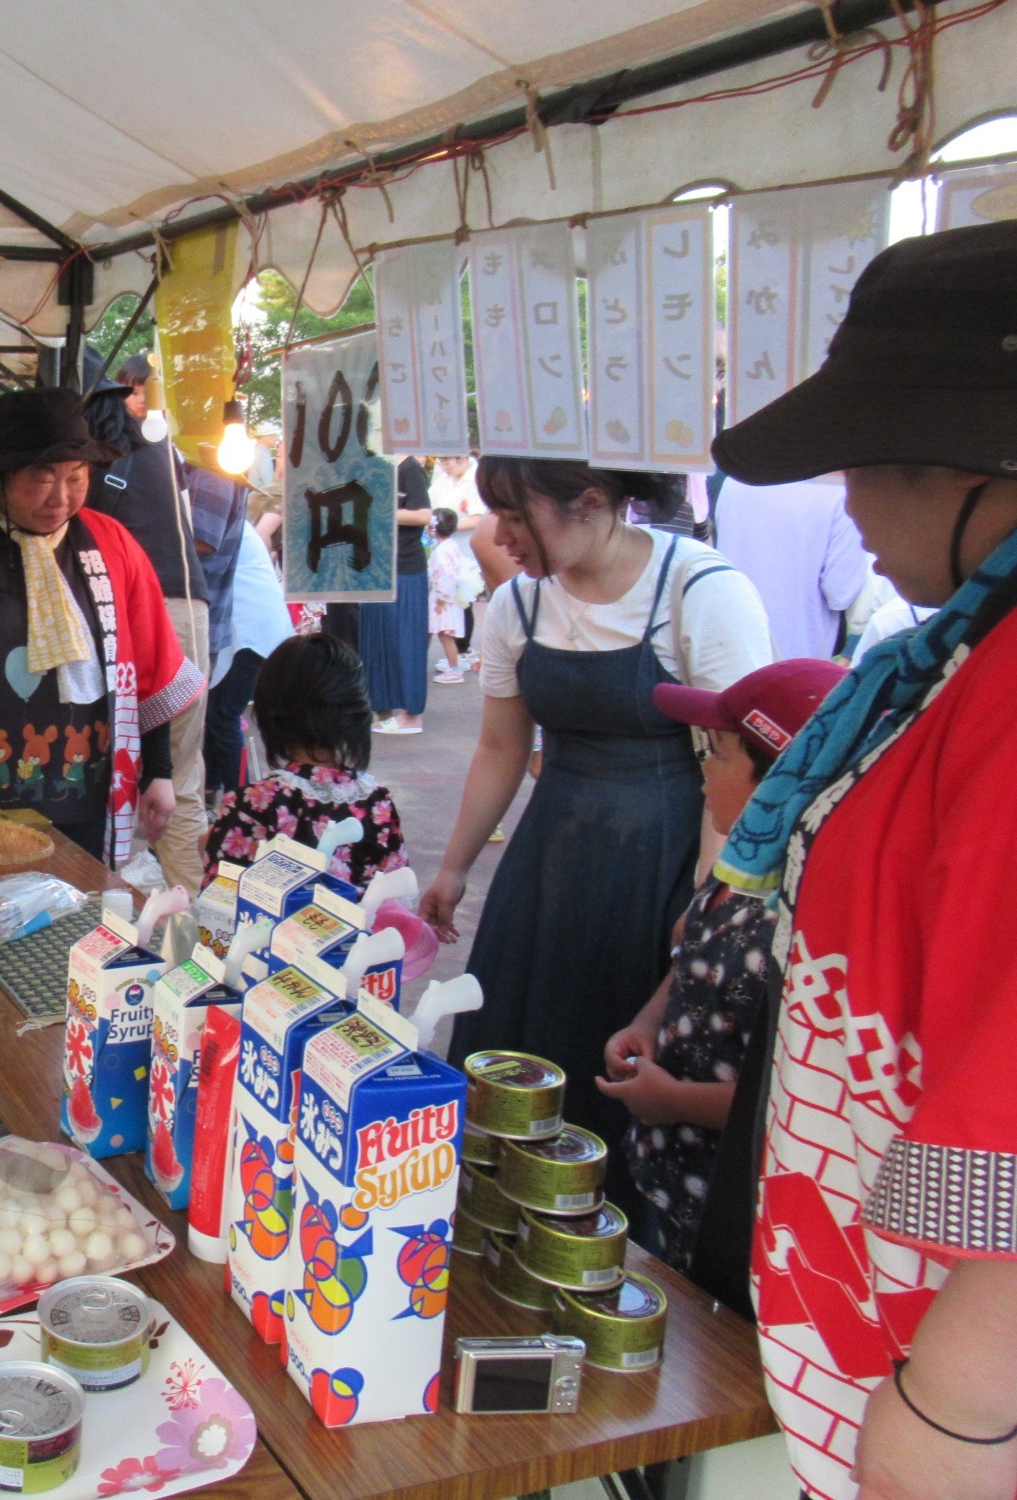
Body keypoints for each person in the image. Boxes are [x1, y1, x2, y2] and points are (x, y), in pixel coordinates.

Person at [699, 221, 1017, 1500]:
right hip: (873, 1287)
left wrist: (957, 1410)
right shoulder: (955, 656)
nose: (845, 507)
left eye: (862, 468)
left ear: (973, 467)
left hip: (938, 1361)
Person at [419, 458, 773, 1177]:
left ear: (590, 503)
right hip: (549, 860)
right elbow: (500, 745)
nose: (500, 535)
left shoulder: (698, 590)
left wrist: (706, 899)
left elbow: (736, 767)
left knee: (618, 1053)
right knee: (521, 1050)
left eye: (518, 517)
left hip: (666, 858)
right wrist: (453, 868)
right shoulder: (518, 604)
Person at [597, 659, 845, 1268]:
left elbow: (788, 1091)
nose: (703, 768)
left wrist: (678, 1100)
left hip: (733, 1201)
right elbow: (691, 958)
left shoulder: (810, 913)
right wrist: (648, 1023)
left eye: (719, 753)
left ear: (780, 780)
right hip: (670, 1165)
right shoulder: (740, 867)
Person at [0, 386, 202, 867]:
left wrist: (158, 772)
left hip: (83, 789)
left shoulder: (113, 544)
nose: (61, 498)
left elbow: (150, 664)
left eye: (76, 478)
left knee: (78, 925)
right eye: (41, 479)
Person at [82, 354, 220, 888]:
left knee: (104, 776)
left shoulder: (85, 462)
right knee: (181, 782)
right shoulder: (160, 446)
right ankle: (192, 927)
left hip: (131, 617)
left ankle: (121, 921)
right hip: (190, 614)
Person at [204, 633, 408, 891]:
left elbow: (217, 907)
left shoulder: (252, 804)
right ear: (356, 713)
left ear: (270, 712)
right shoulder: (378, 803)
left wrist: (211, 841)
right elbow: (397, 899)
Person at [711, 474, 873, 659]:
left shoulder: (735, 481)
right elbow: (841, 592)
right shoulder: (839, 493)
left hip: (729, 644)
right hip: (798, 654)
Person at [204, 518, 295, 803]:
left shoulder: (216, 523)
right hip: (252, 629)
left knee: (223, 713)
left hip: (252, 632)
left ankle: (240, 800)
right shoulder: (231, 521)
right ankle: (214, 786)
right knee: (217, 712)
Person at [367, 456, 436, 734]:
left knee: (407, 639)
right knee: (378, 640)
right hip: (373, 565)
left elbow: (423, 514)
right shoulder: (370, 465)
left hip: (405, 566)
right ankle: (382, 705)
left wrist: (378, 511)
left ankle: (412, 714)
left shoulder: (408, 467)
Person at [427, 506, 482, 685]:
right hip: (448, 597)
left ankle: (455, 669)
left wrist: (442, 597)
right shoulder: (450, 545)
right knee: (437, 632)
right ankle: (452, 666)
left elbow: (447, 575)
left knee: (445, 634)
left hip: (443, 599)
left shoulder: (442, 551)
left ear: (434, 529)